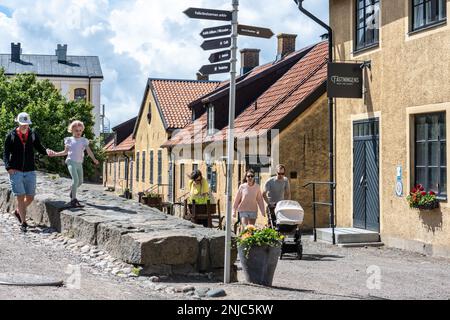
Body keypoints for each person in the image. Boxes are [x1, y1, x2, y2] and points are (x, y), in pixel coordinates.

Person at [3, 112, 55, 233]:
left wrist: (48, 151)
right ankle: (23, 223)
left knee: (30, 197)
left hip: (30, 171)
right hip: (16, 172)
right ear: (18, 123)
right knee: (21, 198)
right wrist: (8, 168)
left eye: (27, 124)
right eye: (23, 124)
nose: (25, 126)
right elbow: (5, 153)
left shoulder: (32, 135)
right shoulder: (11, 136)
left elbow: (40, 148)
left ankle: (18, 211)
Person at [51, 121, 99, 208]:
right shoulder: (69, 140)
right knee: (75, 180)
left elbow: (89, 151)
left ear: (82, 130)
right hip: (71, 161)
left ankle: (72, 191)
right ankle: (73, 200)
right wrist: (55, 154)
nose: (78, 132)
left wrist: (94, 159)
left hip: (79, 163)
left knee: (80, 181)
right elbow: (65, 152)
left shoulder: (84, 141)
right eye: (76, 130)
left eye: (80, 130)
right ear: (72, 130)